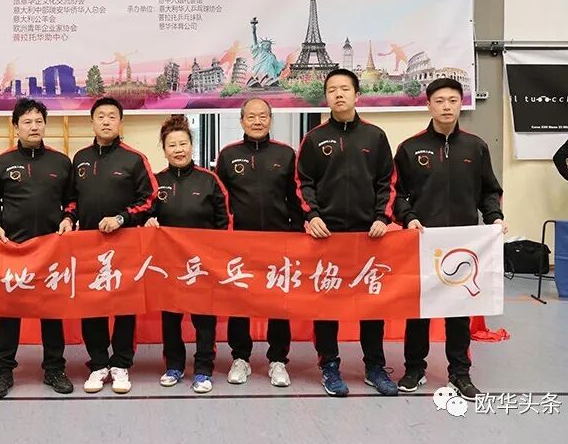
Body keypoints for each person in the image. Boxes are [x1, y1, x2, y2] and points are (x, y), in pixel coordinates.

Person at [393, 77, 507, 402]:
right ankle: (414, 368)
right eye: (440, 101)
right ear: (429, 105)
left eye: (452, 101)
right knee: (419, 311)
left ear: (461, 104)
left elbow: (489, 191)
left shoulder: (475, 147)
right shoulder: (410, 148)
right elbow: (397, 194)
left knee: (459, 312)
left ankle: (460, 373)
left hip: (463, 245)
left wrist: (495, 217)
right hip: (422, 243)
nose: (446, 107)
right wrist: (408, 218)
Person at [295, 69, 398, 397]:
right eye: (332, 90)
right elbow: (303, 182)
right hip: (326, 236)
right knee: (326, 305)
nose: (338, 94)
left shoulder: (375, 136)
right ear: (326, 97)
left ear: (357, 95)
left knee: (372, 304)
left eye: (345, 89)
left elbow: (387, 181)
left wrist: (382, 217)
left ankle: (375, 367)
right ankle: (329, 365)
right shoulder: (314, 138)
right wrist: (312, 215)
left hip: (369, 236)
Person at [0, 99, 75, 398]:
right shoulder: (1, 162)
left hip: (50, 250)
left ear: (45, 125)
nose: (34, 127)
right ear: (16, 127)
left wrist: (68, 218)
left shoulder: (61, 162)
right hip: (13, 249)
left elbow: (72, 200)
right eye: (27, 122)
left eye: (38, 121)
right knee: (9, 312)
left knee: (52, 312)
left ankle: (54, 369)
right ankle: (3, 370)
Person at [67, 97, 157, 394]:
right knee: (91, 304)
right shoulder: (80, 158)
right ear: (92, 122)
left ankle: (120, 364)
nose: (106, 121)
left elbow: (149, 200)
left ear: (120, 122)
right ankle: (98, 363)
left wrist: (121, 218)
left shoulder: (134, 159)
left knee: (124, 306)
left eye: (112, 116)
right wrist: (68, 217)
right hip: (88, 245)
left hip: (125, 244)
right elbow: (72, 199)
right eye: (101, 116)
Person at [215, 98, 304, 387]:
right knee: (240, 301)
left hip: (279, 242)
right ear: (241, 121)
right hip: (239, 243)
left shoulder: (286, 154)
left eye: (263, 116)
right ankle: (240, 358)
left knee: (279, 303)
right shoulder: (228, 155)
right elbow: (219, 200)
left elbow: (296, 198)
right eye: (251, 116)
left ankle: (278, 359)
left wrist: (296, 233)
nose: (257, 121)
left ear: (270, 120)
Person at [145, 115, 231, 394]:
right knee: (170, 319)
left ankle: (203, 369)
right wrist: (148, 221)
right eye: (172, 145)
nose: (178, 150)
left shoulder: (210, 181)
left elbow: (225, 222)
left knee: (204, 320)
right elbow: (144, 215)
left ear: (192, 146)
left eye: (183, 143)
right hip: (168, 265)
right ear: (164, 150)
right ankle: (174, 365)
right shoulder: (156, 183)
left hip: (202, 265)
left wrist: (217, 257)